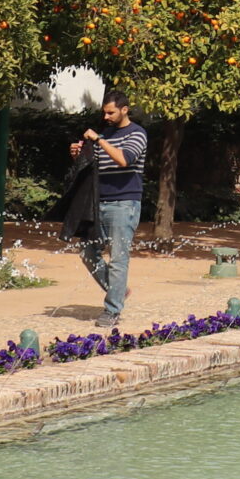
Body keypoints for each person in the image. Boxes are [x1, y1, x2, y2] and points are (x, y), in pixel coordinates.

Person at [72, 91, 146, 331]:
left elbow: (124, 159)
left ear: (124, 110)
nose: (106, 116)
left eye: (111, 112)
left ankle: (112, 310)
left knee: (118, 258)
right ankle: (119, 291)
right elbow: (95, 164)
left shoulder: (137, 133)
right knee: (87, 251)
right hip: (98, 202)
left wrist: (100, 141)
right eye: (104, 112)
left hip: (124, 204)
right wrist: (78, 153)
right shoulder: (105, 133)